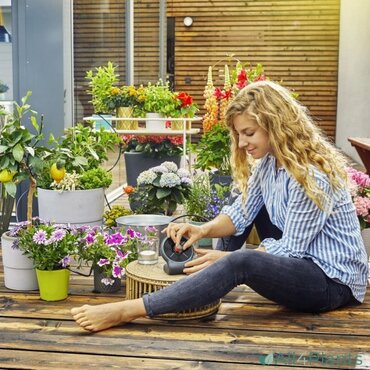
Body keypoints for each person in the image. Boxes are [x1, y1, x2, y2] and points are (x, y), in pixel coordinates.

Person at [71, 80, 368, 332]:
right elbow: (240, 213)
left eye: (248, 133)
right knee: (234, 212)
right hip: (304, 266)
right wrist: (201, 230)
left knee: (240, 261)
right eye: (238, 134)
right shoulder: (269, 164)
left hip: (332, 283)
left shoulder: (310, 174)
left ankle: (128, 310)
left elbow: (291, 250)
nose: (241, 143)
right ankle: (209, 281)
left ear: (276, 126)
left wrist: (228, 261)